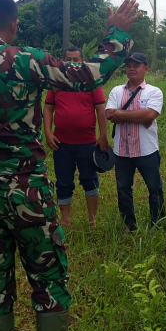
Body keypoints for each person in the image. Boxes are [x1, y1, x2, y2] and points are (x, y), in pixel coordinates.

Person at [0, 0, 140, 331]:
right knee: (49, 280)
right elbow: (89, 75)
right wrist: (115, 33)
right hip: (29, 192)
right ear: (14, 25)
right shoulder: (28, 60)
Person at [43, 46, 109, 228]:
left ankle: (92, 219)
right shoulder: (56, 82)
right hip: (61, 143)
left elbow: (101, 110)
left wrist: (103, 135)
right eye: (69, 59)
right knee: (63, 182)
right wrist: (48, 133)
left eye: (77, 59)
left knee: (89, 179)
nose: (72, 62)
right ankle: (65, 220)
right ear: (63, 62)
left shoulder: (91, 82)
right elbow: (48, 108)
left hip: (87, 143)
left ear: (83, 62)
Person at [106, 53, 165, 232]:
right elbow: (109, 114)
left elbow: (150, 115)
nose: (131, 68)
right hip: (122, 151)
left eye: (136, 65)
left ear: (146, 68)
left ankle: (158, 224)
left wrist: (122, 115)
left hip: (147, 150)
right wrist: (140, 116)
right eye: (129, 65)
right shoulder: (116, 90)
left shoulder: (154, 91)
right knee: (123, 188)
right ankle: (129, 224)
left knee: (155, 188)